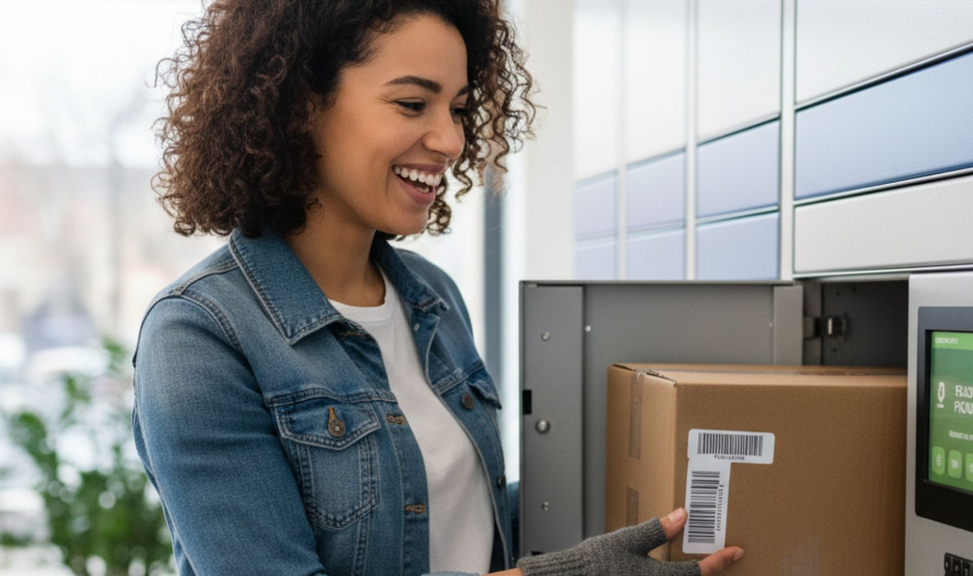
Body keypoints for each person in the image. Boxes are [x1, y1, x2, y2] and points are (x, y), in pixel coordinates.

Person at [132, 1, 744, 575]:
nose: (451, 141)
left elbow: (443, 515)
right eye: (411, 104)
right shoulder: (198, 337)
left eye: (455, 108)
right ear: (300, 105)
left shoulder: (433, 297)